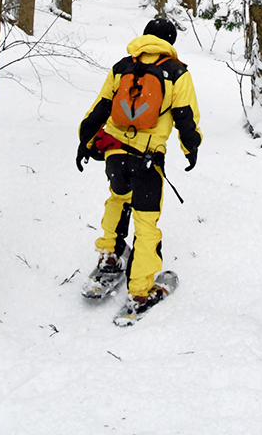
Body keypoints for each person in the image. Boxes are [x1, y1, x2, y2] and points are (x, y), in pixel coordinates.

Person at [76, 24, 201, 320]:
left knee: (118, 200)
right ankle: (140, 291)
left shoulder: (122, 68)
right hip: (147, 159)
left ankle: (109, 259)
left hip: (115, 155)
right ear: (170, 42)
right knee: (146, 223)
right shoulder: (176, 72)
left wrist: (85, 141)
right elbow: (186, 118)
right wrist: (190, 149)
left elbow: (100, 108)